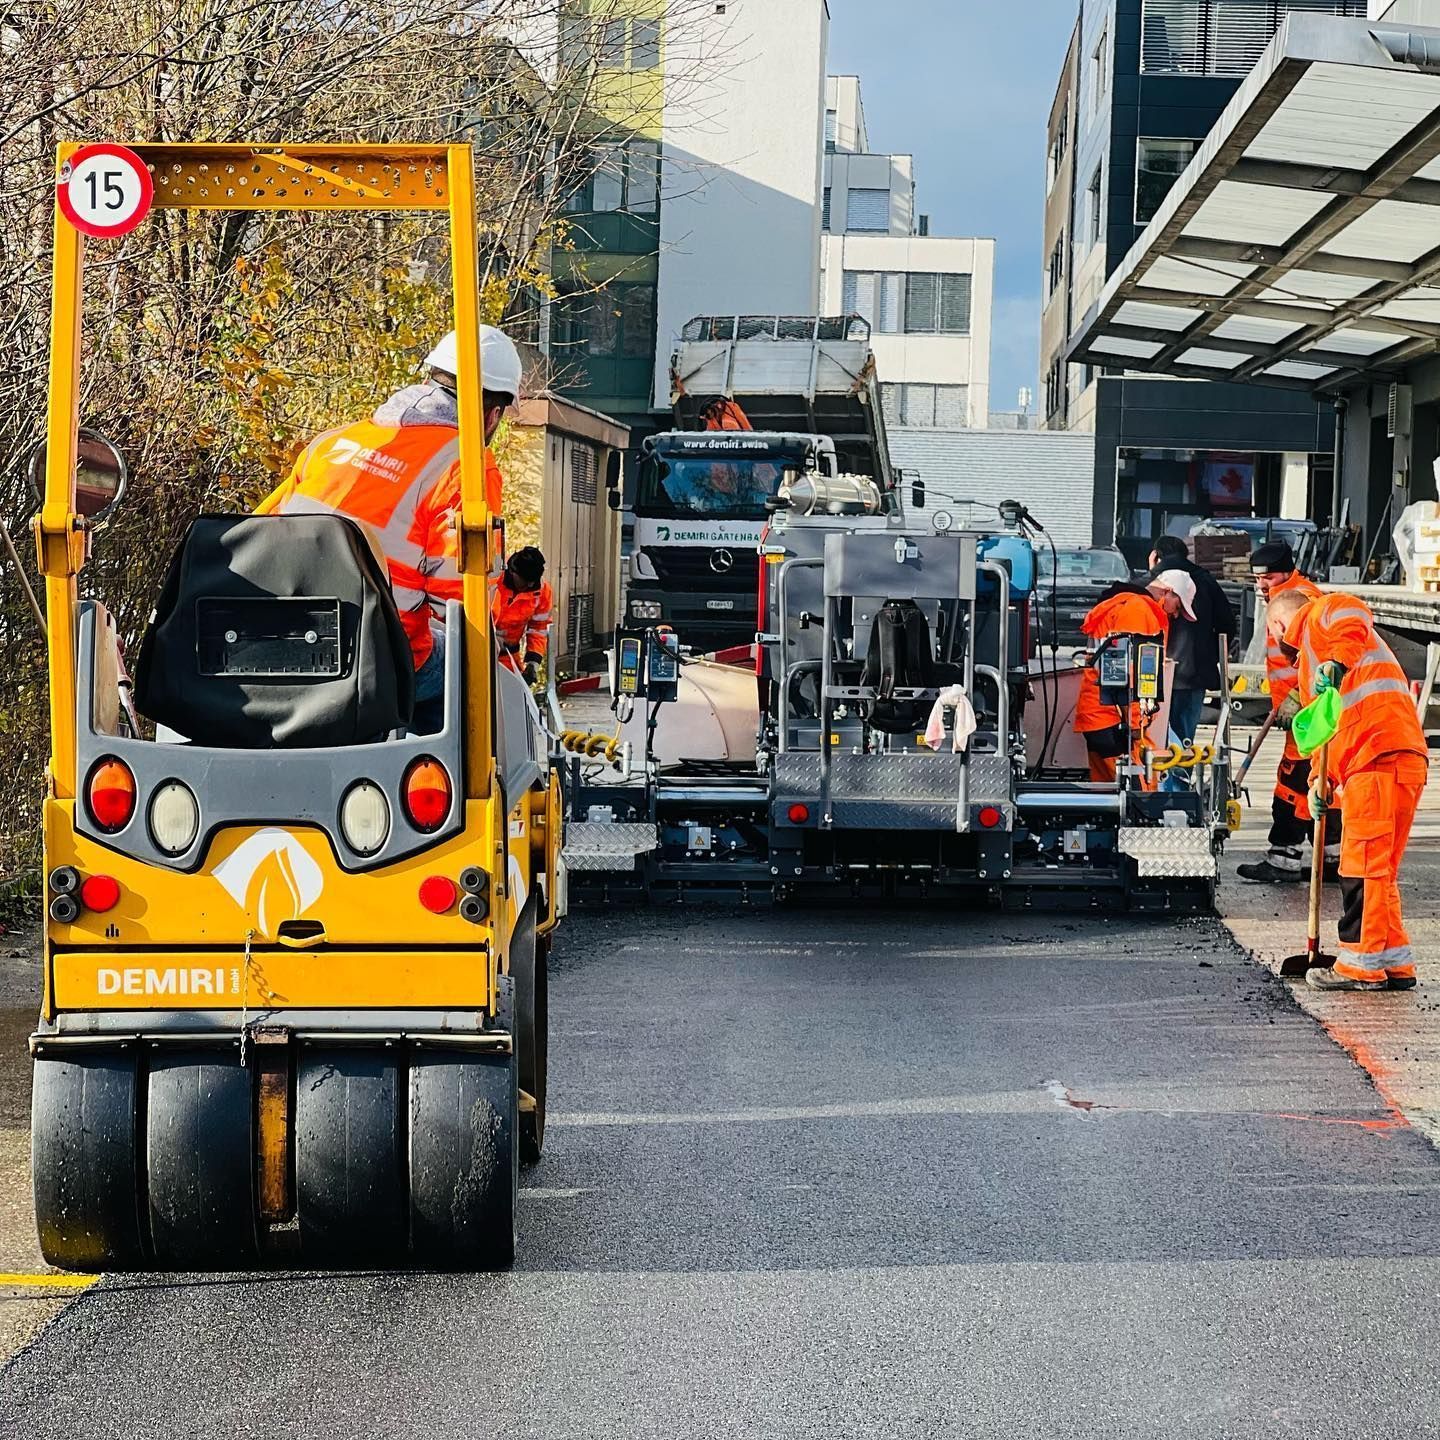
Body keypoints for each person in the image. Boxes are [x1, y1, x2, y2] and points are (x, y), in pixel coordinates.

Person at [255, 324, 524, 731]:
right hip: (371, 663)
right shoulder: (466, 467)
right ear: (493, 414)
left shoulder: (333, 442)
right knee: (476, 681)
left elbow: (254, 534)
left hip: (274, 641)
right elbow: (461, 607)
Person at [1265, 589, 1429, 991]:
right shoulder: (1314, 666)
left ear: (1281, 624)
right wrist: (1319, 782)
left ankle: (1360, 965)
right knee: (1381, 870)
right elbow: (1323, 736)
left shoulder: (1324, 613)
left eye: (1274, 633)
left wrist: (1337, 660)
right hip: (1396, 756)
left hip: (1374, 759)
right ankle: (1393, 960)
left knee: (1361, 866)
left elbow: (1355, 613)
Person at [1237, 540, 1340, 884]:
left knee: (1292, 785)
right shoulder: (1284, 598)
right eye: (1256, 580)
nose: (1262, 585)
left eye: (1267, 577)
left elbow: (1321, 657)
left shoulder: (1303, 601)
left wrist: (1297, 694)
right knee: (1321, 784)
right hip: (1300, 713)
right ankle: (1332, 859)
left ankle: (1283, 857)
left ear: (1286, 571)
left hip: (1309, 713)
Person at [1074, 569, 1195, 785]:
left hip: (1098, 716)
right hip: (1115, 719)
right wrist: (1136, 723)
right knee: (1139, 796)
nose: (1175, 615)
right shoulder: (1140, 612)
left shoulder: (1123, 605)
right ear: (1168, 592)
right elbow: (1132, 673)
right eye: (1178, 607)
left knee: (1107, 793)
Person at [1147, 535, 1235, 791]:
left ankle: (1164, 793)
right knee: (1184, 737)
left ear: (1156, 556)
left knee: (1158, 736)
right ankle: (1180, 792)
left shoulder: (1151, 583)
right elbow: (1228, 625)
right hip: (1195, 673)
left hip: (1156, 675)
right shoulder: (1205, 580)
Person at [491, 546, 553, 685]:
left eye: (533, 580)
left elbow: (538, 629)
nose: (529, 584)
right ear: (513, 572)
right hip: (478, 653)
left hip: (508, 657)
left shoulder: (542, 592)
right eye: (525, 580)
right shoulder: (492, 580)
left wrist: (532, 663)